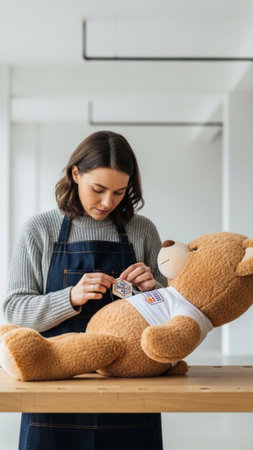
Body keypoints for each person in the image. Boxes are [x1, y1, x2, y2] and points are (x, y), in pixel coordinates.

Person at [3, 130, 166, 450]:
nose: (108, 202)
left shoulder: (142, 230)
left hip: (130, 397)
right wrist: (70, 298)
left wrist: (154, 290)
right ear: (75, 173)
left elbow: (173, 316)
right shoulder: (39, 230)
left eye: (120, 192)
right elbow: (14, 311)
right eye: (98, 189)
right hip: (54, 397)